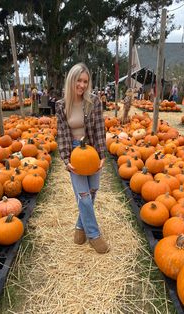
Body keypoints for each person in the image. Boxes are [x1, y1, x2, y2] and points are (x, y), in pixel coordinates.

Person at [56, 63, 110, 254]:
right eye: (79, 80)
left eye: (85, 81)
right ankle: (94, 235)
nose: (82, 85)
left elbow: (99, 129)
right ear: (71, 80)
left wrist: (102, 154)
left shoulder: (94, 101)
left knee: (93, 191)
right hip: (75, 152)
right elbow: (62, 133)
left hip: (92, 150)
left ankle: (80, 227)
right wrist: (65, 158)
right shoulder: (61, 105)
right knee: (84, 196)